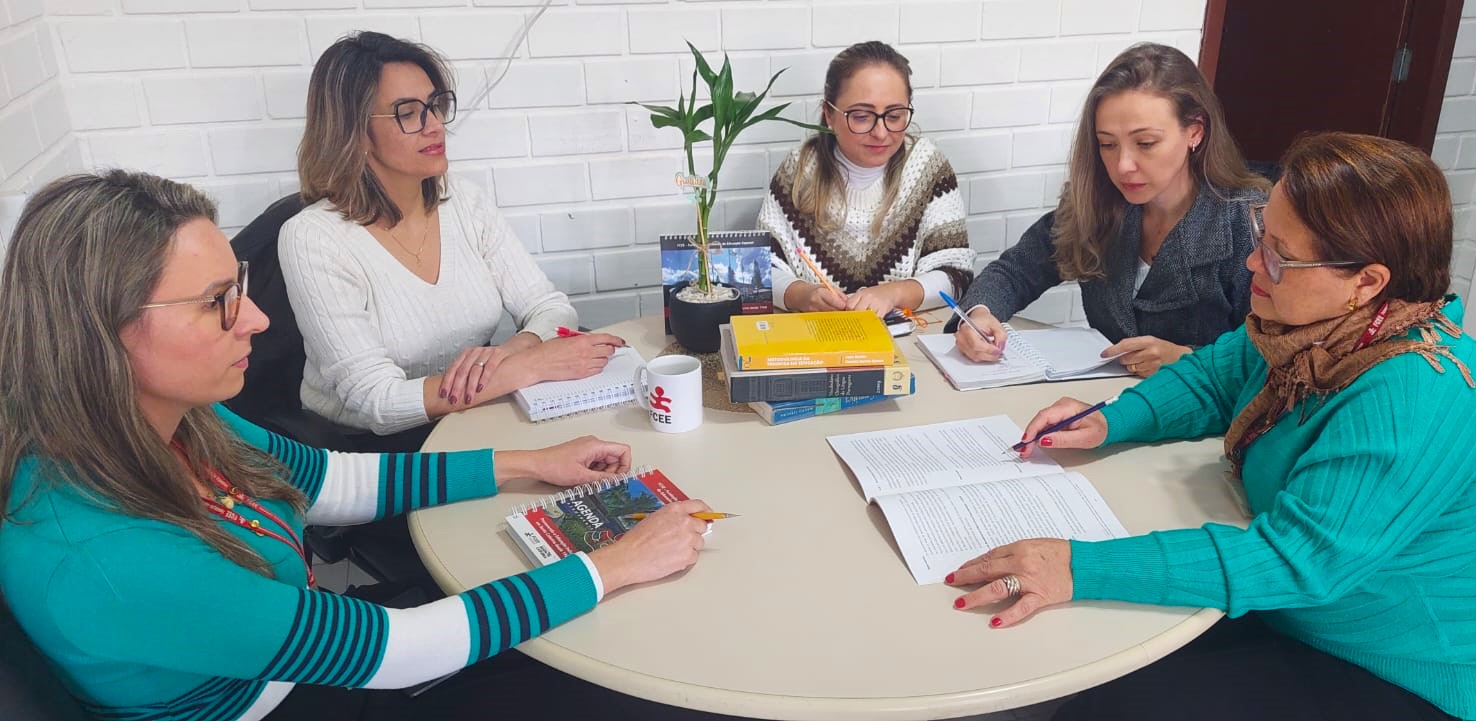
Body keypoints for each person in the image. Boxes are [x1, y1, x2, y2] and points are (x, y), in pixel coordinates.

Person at [0, 170, 711, 721]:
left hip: (304, 674)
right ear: (105, 332)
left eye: (239, 287)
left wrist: (527, 465)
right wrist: (613, 563)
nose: (254, 317)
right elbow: (397, 652)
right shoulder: (102, 552)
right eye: (218, 300)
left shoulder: (165, 419)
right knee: (629, 688)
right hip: (301, 702)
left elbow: (327, 480)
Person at [947, 134, 1476, 721]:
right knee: (1084, 658)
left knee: (1106, 705)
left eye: (1281, 255)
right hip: (1307, 618)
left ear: (1367, 282)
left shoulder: (1413, 396)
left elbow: (1294, 562)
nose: (1256, 262)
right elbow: (1214, 376)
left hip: (1409, 670)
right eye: (1264, 236)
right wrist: (1108, 420)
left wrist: (1079, 566)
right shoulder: (1310, 330)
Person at [280, 32, 624, 449]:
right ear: (353, 131)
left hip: (476, 415)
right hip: (368, 448)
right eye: (408, 113)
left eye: (435, 105)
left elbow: (549, 307)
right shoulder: (312, 238)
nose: (435, 125)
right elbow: (377, 402)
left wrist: (520, 347)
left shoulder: (462, 200)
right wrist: (524, 369)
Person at [950, 43, 1268, 377]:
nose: (1123, 165)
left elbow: (1273, 354)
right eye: (1107, 144)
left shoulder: (1247, 222)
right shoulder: (1098, 200)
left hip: (1207, 422)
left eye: (1145, 143)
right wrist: (980, 313)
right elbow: (1015, 271)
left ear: (1195, 132)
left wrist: (1187, 359)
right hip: (1104, 407)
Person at [758, 40, 974, 318]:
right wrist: (803, 295)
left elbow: (955, 276)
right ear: (829, 114)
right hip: (817, 339)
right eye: (861, 117)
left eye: (895, 116)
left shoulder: (927, 168)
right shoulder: (800, 170)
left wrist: (894, 292)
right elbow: (762, 269)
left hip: (906, 341)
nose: (881, 133)